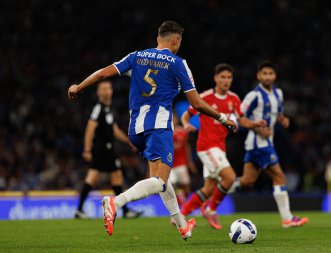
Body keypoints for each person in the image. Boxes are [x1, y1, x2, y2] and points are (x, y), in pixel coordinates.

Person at [67, 21, 238, 240]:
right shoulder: (178, 63)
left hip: (135, 129)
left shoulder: (136, 56)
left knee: (160, 180)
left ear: (158, 38)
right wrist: (223, 118)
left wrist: (79, 86)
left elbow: (103, 74)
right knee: (160, 181)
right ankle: (115, 202)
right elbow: (195, 102)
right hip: (159, 125)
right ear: (176, 40)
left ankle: (183, 227)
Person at [179, 63, 266, 229]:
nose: (226, 80)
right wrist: (186, 125)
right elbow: (186, 114)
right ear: (215, 78)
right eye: (223, 77)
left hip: (220, 148)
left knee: (209, 188)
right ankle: (211, 210)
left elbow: (241, 120)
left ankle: (181, 214)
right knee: (230, 177)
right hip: (207, 147)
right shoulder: (206, 96)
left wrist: (255, 124)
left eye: (229, 77)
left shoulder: (234, 99)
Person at [231, 60, 309, 228]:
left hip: (261, 144)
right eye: (264, 73)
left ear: (275, 76)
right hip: (259, 143)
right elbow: (239, 117)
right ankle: (287, 218)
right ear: (258, 76)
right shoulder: (254, 96)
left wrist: (283, 120)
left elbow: (278, 113)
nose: (267, 76)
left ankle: (222, 187)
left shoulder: (278, 94)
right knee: (279, 176)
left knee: (247, 181)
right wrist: (258, 129)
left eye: (270, 73)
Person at [74, 80, 142, 219]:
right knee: (112, 177)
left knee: (108, 177)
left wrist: (128, 141)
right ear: (99, 93)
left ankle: (80, 210)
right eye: (103, 89)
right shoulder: (98, 108)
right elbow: (90, 129)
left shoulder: (108, 108)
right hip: (101, 149)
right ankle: (125, 210)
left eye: (109, 88)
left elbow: (114, 129)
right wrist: (87, 150)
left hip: (107, 150)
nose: (107, 91)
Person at [170, 112, 197, 207]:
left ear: (177, 119)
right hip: (169, 164)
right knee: (172, 184)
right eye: (171, 118)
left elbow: (186, 147)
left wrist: (190, 162)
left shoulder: (183, 132)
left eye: (174, 118)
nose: (173, 120)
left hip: (181, 163)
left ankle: (183, 202)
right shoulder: (165, 133)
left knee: (186, 187)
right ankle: (178, 204)